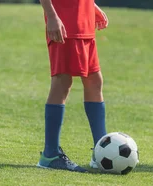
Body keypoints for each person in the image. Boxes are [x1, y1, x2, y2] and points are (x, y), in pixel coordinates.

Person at [36, 0, 109, 172]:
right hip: (65, 22)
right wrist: (52, 15)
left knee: (94, 81)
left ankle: (101, 150)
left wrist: (91, 6)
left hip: (83, 22)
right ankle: (50, 155)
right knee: (62, 81)